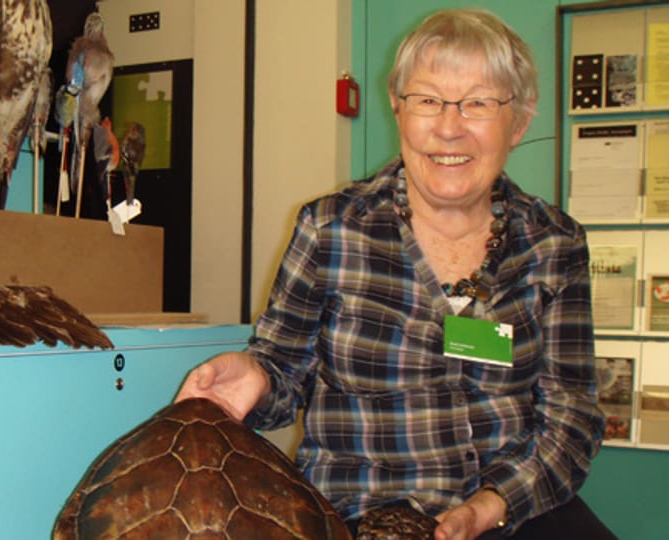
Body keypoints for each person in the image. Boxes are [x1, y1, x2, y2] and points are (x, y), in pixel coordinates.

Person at [176, 8, 616, 540]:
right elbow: (283, 370)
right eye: (428, 100)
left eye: (478, 103)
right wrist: (258, 376)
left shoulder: (554, 243)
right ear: (398, 108)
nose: (449, 128)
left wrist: (489, 505)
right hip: (357, 513)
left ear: (519, 121)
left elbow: (571, 418)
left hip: (511, 513)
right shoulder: (330, 229)